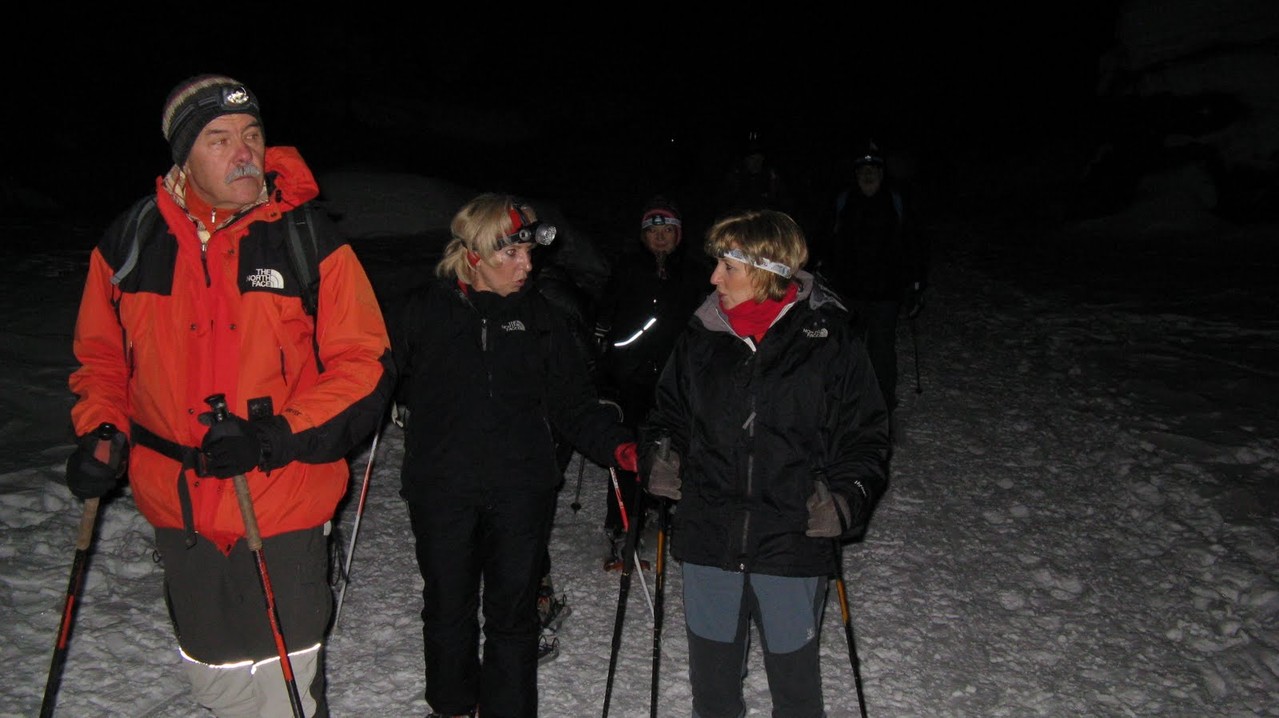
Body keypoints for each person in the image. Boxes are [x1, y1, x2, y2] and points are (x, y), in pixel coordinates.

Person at [63, 74, 396, 717]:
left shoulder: (305, 239)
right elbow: (101, 356)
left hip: (281, 502)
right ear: (183, 156)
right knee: (217, 685)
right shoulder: (131, 243)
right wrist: (103, 429)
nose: (243, 151)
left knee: (285, 695)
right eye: (219, 139)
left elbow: (366, 365)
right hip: (181, 511)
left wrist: (274, 437)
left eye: (252, 134)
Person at [637, 208, 891, 718]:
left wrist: (846, 500)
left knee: (796, 695)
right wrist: (660, 455)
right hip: (710, 537)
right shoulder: (701, 336)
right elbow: (667, 416)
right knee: (713, 696)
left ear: (769, 269)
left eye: (727, 267)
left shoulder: (829, 341)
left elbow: (866, 439)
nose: (713, 277)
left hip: (792, 540)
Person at [393, 193, 637, 718]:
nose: (527, 266)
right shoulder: (422, 311)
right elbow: (373, 377)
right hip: (442, 488)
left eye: (530, 253)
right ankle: (454, 706)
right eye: (513, 255)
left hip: (520, 489)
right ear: (475, 255)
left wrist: (620, 446)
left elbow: (574, 404)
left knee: (513, 614)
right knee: (447, 608)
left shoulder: (544, 319)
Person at [592, 195, 711, 570]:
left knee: (680, 444)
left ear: (679, 235)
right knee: (630, 444)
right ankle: (623, 523)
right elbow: (605, 317)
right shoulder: (627, 268)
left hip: (680, 376)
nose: (660, 238)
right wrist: (605, 360)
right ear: (643, 237)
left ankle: (674, 512)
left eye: (667, 231)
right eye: (653, 232)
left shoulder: (695, 273)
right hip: (631, 375)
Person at [818, 139, 929, 434]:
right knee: (847, 349)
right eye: (863, 169)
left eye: (873, 169)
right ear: (855, 173)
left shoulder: (896, 201)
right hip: (849, 292)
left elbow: (914, 243)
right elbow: (827, 240)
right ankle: (844, 405)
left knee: (881, 352)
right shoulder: (843, 201)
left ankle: (881, 408)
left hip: (885, 293)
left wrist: (916, 282)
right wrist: (823, 271)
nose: (868, 175)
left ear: (882, 173)